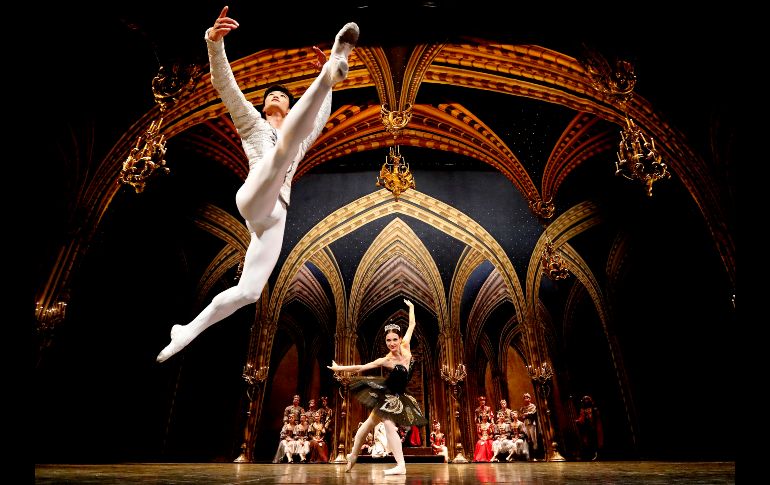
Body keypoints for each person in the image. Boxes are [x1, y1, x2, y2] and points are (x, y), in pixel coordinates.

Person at [156, 6, 359, 362]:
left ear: (290, 105)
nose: (276, 96)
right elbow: (225, 86)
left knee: (249, 291)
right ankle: (332, 67)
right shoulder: (252, 123)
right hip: (253, 197)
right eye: (271, 96)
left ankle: (186, 331)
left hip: (275, 216)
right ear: (264, 107)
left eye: (283, 95)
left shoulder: (298, 134)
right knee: (284, 151)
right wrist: (213, 43)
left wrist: (325, 90)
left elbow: (320, 116)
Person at [327, 299, 427, 475]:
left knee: (383, 425)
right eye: (388, 340)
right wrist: (339, 368)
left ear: (400, 339)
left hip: (398, 395)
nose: (391, 343)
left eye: (394, 339)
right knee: (367, 427)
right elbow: (360, 367)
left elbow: (411, 324)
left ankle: (400, 466)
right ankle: (352, 457)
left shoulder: (406, 346)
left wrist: (411, 307)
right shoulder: (386, 360)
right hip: (387, 395)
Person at [575, 395, 603, 461]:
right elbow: (582, 418)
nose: (586, 401)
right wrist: (578, 421)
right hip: (588, 427)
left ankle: (598, 454)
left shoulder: (594, 408)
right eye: (585, 400)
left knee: (596, 441)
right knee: (590, 441)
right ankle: (592, 454)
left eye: (587, 399)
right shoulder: (583, 410)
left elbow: (597, 417)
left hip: (595, 427)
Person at [519, 392, 539, 459]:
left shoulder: (533, 406)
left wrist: (526, 414)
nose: (525, 399)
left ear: (530, 398)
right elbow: (521, 415)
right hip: (526, 423)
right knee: (528, 439)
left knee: (534, 439)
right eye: (524, 398)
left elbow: (533, 413)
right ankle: (530, 455)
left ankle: (536, 455)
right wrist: (524, 415)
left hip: (531, 423)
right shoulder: (523, 408)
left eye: (527, 397)